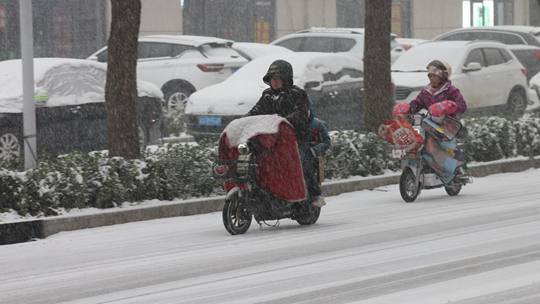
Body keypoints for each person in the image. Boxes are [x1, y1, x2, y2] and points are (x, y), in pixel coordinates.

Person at [247, 59, 322, 206]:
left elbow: (300, 114)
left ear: (286, 79)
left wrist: (284, 121)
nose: (274, 82)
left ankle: (313, 195)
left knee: (301, 160)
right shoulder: (267, 95)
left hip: (295, 139)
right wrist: (243, 120)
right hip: (271, 138)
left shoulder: (298, 94)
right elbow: (256, 111)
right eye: (271, 79)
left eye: (277, 79)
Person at [306, 111, 331, 207]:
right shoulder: (295, 124)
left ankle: (316, 195)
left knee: (308, 170)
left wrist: (314, 150)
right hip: (299, 155)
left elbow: (327, 142)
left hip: (313, 157)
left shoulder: (318, 124)